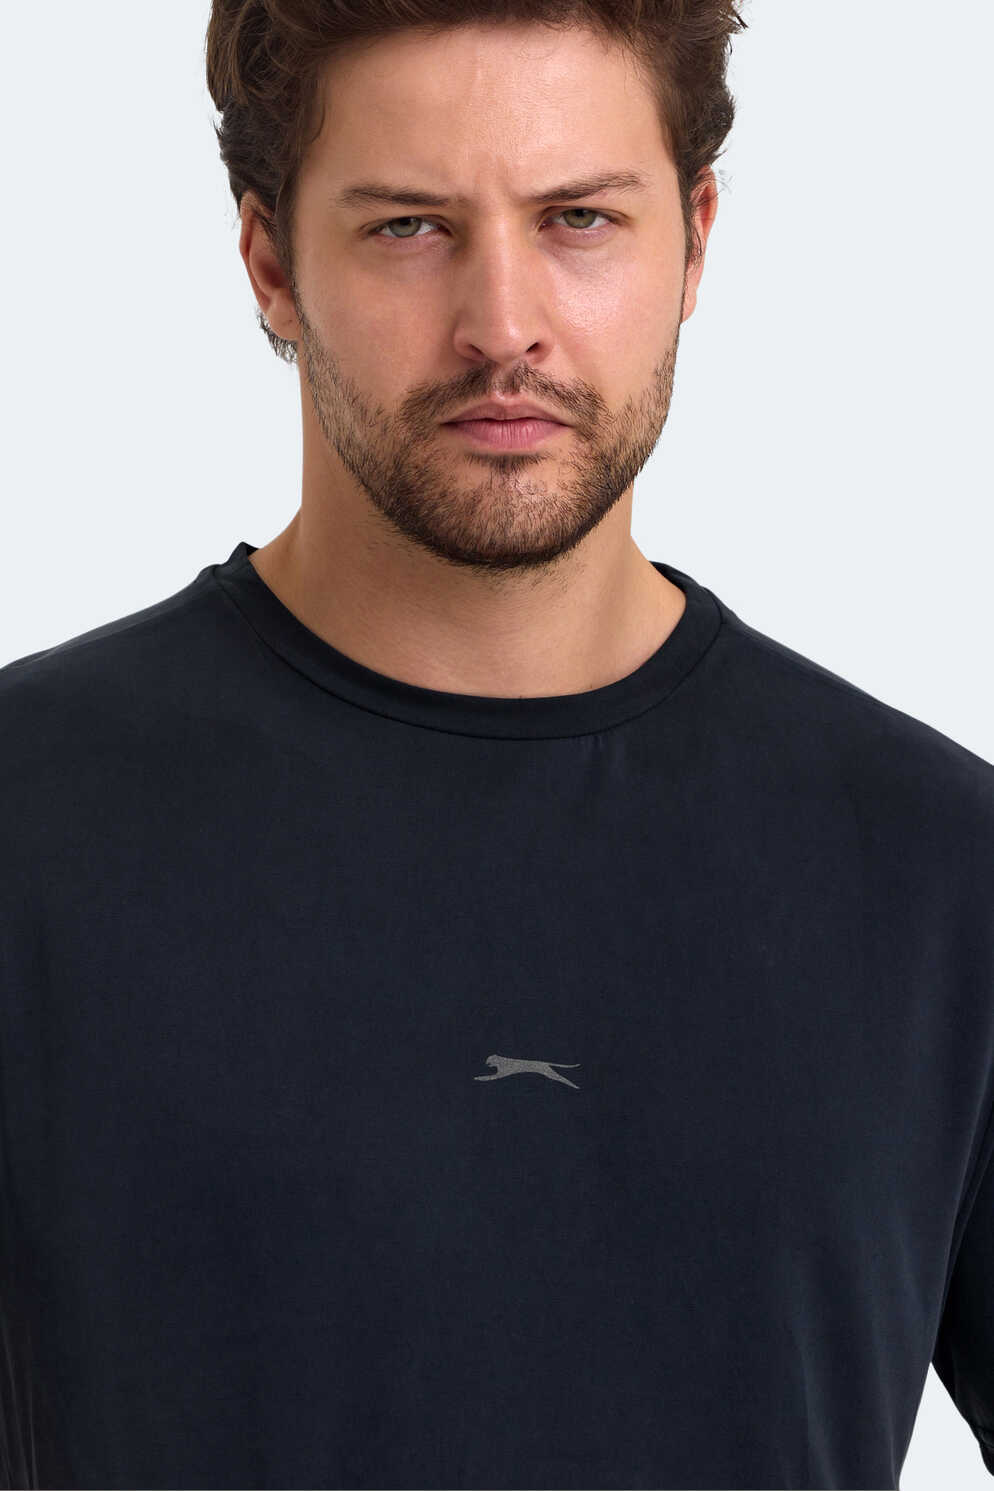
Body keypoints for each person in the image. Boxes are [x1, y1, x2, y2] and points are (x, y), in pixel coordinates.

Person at [1, 2, 992, 1487]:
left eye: (578, 219)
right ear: (269, 261)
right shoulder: (28, 820)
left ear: (694, 242)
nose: (503, 324)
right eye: (409, 227)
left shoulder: (939, 864)